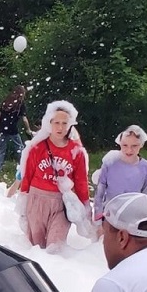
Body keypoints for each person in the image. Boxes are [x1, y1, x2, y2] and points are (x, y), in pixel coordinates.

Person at [17, 100, 90, 251]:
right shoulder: (37, 148)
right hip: (37, 200)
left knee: (55, 247)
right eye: (56, 122)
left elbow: (81, 181)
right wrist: (23, 201)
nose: (60, 127)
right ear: (48, 123)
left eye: (65, 123)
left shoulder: (77, 151)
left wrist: (86, 208)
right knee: (36, 248)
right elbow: (27, 176)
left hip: (61, 202)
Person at [92, 125, 147, 232]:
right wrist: (98, 218)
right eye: (125, 145)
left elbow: (145, 196)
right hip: (109, 214)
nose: (129, 150)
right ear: (119, 144)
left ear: (141, 145)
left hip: (132, 218)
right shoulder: (110, 163)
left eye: (134, 146)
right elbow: (99, 193)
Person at [0, 85, 33, 173]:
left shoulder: (6, 101)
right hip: (12, 129)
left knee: (1, 150)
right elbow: (24, 119)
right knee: (19, 148)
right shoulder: (20, 104)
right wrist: (28, 129)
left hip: (1, 129)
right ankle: (23, 168)